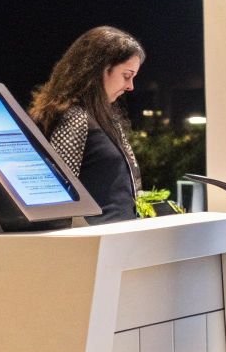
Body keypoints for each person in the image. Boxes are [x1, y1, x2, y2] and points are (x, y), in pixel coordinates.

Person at [29, 26, 144, 224]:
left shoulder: (103, 117)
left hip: (114, 242)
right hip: (95, 245)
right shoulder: (75, 118)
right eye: (126, 75)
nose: (130, 86)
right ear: (101, 69)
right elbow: (59, 196)